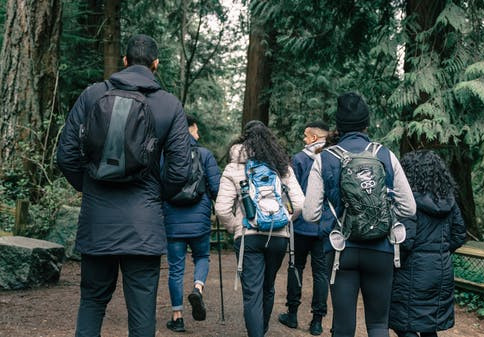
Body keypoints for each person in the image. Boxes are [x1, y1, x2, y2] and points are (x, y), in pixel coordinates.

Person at [57, 34, 192, 337]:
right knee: (142, 314)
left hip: (97, 222)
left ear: (125, 61)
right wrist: (156, 196)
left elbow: (65, 155)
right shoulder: (169, 105)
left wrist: (90, 187)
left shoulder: (92, 95)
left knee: (92, 302)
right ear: (156, 64)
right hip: (143, 226)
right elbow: (180, 169)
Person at [303, 92, 416, 337]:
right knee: (377, 324)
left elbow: (310, 214)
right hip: (381, 249)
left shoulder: (325, 159)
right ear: (366, 123)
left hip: (341, 250)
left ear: (339, 126)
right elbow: (409, 208)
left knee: (343, 326)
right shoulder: (385, 154)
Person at [215, 120, 304, 337]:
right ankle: (261, 331)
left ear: (243, 140)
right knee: (268, 287)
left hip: (249, 236)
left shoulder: (234, 167)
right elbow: (300, 203)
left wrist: (235, 227)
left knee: (252, 292)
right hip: (278, 236)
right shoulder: (282, 166)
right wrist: (286, 220)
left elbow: (222, 210)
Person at [389, 150, 466, 337]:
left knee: (402, 323)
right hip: (441, 270)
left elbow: (405, 241)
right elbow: (459, 234)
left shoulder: (408, 202)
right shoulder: (449, 201)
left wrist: (396, 260)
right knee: (429, 325)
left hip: (411, 271)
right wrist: (440, 252)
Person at [163, 114, 221, 332]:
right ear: (190, 129)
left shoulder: (166, 156)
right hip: (199, 218)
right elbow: (215, 188)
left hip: (174, 219)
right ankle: (198, 288)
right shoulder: (205, 154)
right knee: (202, 257)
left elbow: (160, 186)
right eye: (196, 130)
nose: (198, 134)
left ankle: (177, 317)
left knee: (176, 269)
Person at [278, 121, 330, 336]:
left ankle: (292, 314)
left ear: (315, 138)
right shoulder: (332, 159)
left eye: (306, 136)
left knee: (295, 266)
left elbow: (289, 193)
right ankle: (317, 321)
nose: (303, 140)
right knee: (321, 273)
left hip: (300, 225)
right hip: (323, 226)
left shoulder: (298, 160)